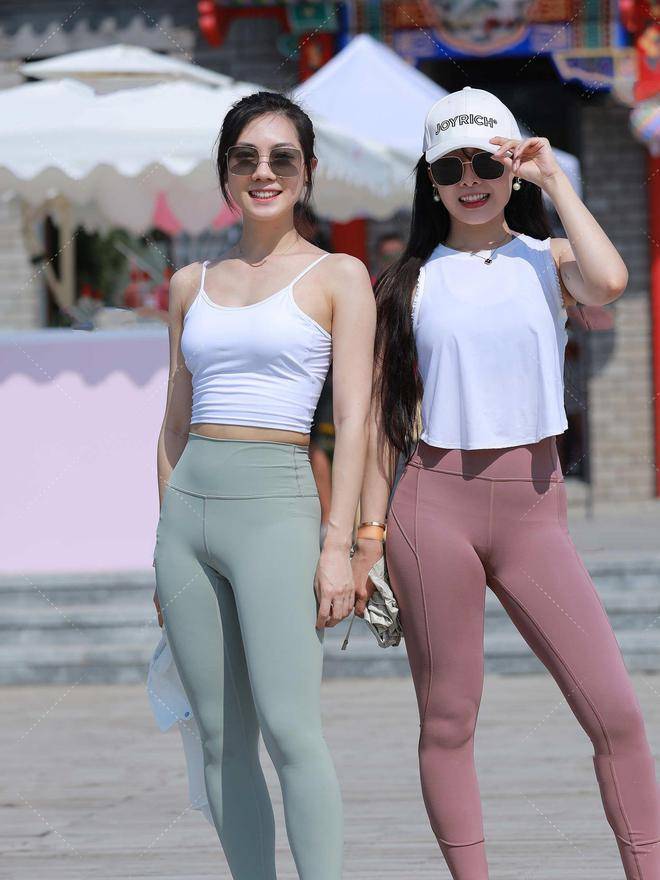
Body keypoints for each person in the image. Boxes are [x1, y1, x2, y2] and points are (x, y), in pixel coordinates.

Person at [351, 86, 660, 879]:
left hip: (534, 515)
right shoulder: (407, 283)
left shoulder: (546, 260)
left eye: (487, 164)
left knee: (618, 714)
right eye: (450, 167)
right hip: (432, 507)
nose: (471, 180)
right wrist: (366, 539)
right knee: (448, 721)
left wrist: (554, 181)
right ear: (429, 180)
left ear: (511, 168)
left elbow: (611, 280)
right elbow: (382, 425)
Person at [153, 90, 375, 880]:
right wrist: (163, 540)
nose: (264, 171)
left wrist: (339, 546)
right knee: (219, 737)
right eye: (245, 157)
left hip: (279, 510)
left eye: (282, 157)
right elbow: (173, 424)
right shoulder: (189, 283)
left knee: (291, 730)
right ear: (225, 173)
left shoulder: (339, 274)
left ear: (308, 172)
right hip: (187, 521)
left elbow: (354, 421)